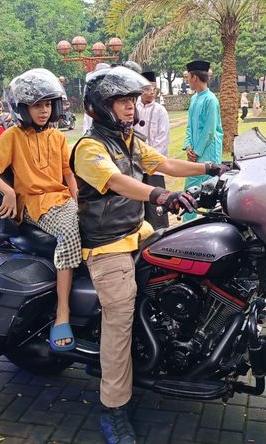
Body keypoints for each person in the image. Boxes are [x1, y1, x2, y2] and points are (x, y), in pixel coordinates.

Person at [70, 66, 228, 444]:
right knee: (120, 315)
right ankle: (113, 407)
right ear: (99, 107)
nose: (130, 107)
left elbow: (166, 164)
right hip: (107, 244)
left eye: (131, 100)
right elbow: (117, 182)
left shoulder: (130, 141)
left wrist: (215, 168)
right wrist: (161, 195)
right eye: (121, 101)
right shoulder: (90, 147)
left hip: (137, 233)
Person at [0, 69, 80, 351]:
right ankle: (63, 313)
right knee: (69, 233)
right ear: (23, 108)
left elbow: (68, 173)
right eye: (36, 105)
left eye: (47, 104)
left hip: (61, 200)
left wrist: (80, 200)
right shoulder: (13, 136)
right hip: (35, 204)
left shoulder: (57, 137)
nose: (44, 111)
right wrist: (8, 191)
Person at [182, 60, 223, 221]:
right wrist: (188, 147)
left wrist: (197, 152)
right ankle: (188, 225)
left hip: (208, 153)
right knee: (190, 190)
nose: (187, 81)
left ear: (194, 78)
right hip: (195, 153)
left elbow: (210, 131)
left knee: (206, 191)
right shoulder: (194, 99)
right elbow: (189, 126)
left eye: (188, 77)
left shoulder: (210, 100)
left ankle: (203, 225)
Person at [135, 71, 171, 229]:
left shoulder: (160, 110)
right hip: (135, 165)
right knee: (137, 204)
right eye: (147, 89)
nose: (150, 93)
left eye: (153, 89)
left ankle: (160, 233)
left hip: (154, 167)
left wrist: (148, 160)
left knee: (157, 205)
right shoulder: (133, 107)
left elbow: (162, 138)